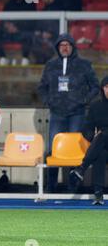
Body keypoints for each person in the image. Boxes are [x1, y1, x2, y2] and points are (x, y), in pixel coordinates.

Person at [37, 33, 99, 193]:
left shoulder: (84, 64)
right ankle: (51, 187)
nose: (64, 48)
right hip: (57, 113)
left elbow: (95, 86)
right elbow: (42, 87)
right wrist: (48, 101)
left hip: (77, 113)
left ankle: (73, 186)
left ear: (73, 47)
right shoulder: (50, 65)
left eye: (68, 45)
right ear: (57, 48)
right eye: (61, 45)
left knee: (74, 150)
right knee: (53, 149)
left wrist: (84, 100)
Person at [69, 77, 108, 205]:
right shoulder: (95, 106)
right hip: (102, 145)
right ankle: (98, 194)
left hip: (102, 139)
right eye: (107, 87)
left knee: (104, 134)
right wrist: (93, 136)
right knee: (100, 154)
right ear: (103, 88)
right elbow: (86, 128)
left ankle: (82, 168)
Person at [0, 0, 36, 66]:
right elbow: (2, 21)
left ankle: (25, 58)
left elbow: (32, 22)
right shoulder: (9, 4)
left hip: (21, 33)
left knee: (30, 35)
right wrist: (7, 26)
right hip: (8, 33)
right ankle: (3, 57)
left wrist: (17, 27)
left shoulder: (30, 5)